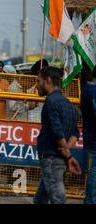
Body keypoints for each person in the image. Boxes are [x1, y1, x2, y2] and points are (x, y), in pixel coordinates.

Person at [33, 66, 81, 204]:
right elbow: (75, 133)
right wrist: (67, 150)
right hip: (58, 158)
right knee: (40, 199)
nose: (37, 85)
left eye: (38, 81)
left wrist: (67, 154)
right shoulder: (68, 104)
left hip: (51, 157)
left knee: (57, 198)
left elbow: (56, 131)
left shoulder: (51, 101)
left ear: (48, 80)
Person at [80, 66, 96, 204]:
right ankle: (90, 199)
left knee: (92, 169)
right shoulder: (94, 91)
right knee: (94, 170)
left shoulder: (85, 90)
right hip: (94, 135)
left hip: (88, 134)